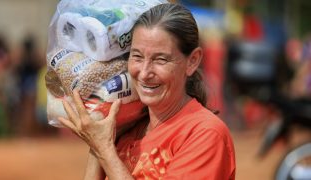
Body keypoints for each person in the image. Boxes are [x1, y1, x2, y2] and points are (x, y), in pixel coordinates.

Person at [58, 3, 236, 179]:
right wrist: (99, 142)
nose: (144, 73)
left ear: (192, 61)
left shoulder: (205, 134)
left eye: (160, 59)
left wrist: (103, 148)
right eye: (137, 56)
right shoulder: (126, 128)